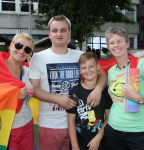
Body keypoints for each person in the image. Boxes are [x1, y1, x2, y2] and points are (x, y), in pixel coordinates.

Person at [29, 15, 107, 150]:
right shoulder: (38, 58)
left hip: (78, 125)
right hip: (50, 124)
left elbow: (102, 73)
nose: (59, 34)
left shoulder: (79, 55)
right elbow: (33, 89)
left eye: (63, 30)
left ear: (69, 33)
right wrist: (57, 99)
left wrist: (98, 90)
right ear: (49, 33)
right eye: (55, 30)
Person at [104, 27, 144, 150]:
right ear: (109, 47)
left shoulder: (141, 64)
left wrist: (138, 98)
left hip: (139, 132)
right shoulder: (111, 71)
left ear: (127, 43)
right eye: (112, 42)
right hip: (113, 130)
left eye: (120, 41)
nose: (116, 45)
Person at [0, 33, 35, 150]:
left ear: (29, 54)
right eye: (18, 46)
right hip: (7, 127)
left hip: (27, 124)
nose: (21, 51)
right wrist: (15, 95)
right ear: (11, 46)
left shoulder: (28, 71)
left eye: (27, 49)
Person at [67, 52, 112, 150]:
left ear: (98, 67)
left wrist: (98, 138)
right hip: (79, 142)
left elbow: (108, 118)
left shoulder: (105, 92)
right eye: (83, 68)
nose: (87, 70)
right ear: (80, 71)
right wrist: (75, 146)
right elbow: (71, 120)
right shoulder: (75, 91)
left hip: (99, 142)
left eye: (91, 66)